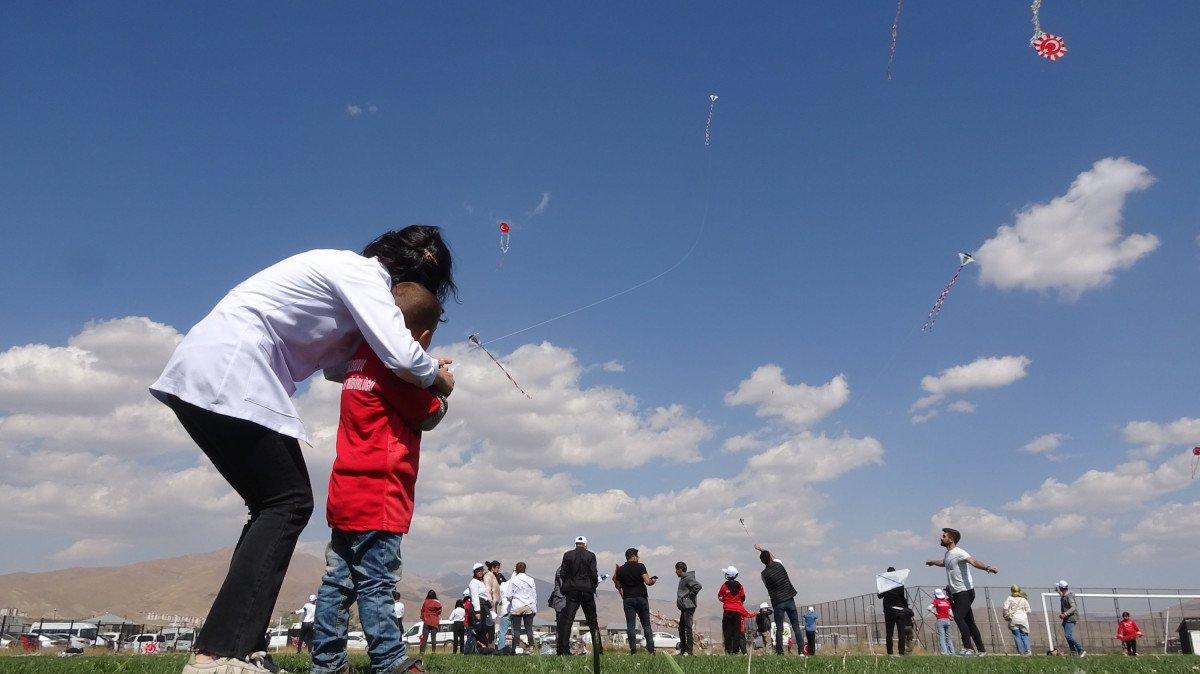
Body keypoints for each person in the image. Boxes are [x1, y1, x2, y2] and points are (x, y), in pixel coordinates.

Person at [153, 226, 457, 674]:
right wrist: (436, 375)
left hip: (207, 369)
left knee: (273, 504)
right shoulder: (363, 275)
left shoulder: (342, 275)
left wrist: (411, 366)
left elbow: (340, 367)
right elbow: (400, 356)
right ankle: (216, 654)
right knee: (288, 503)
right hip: (230, 370)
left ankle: (239, 645)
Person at [310, 282, 450, 674]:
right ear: (422, 338)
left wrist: (427, 370)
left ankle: (327, 663)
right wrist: (441, 384)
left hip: (345, 492)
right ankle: (389, 661)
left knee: (337, 582)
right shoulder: (394, 369)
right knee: (377, 581)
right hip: (380, 494)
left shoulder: (358, 360)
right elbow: (429, 414)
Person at [925, 528, 997, 656]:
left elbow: (973, 561)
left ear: (951, 539)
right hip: (957, 593)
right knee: (969, 622)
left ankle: (968, 648)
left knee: (958, 617)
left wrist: (987, 567)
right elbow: (944, 562)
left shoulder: (959, 552)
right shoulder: (948, 554)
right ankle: (982, 650)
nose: (941, 537)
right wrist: (933, 562)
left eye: (944, 536)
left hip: (965, 591)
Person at [753, 544, 804, 656]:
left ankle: (780, 652)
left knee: (779, 628)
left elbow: (767, 586)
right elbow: (774, 558)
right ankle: (801, 651)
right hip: (789, 599)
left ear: (762, 562)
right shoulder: (779, 564)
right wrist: (761, 549)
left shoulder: (763, 575)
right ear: (770, 557)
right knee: (796, 626)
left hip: (778, 602)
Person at [556, 536, 601, 656]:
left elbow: (563, 573)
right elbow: (593, 573)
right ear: (585, 545)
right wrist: (593, 584)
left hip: (572, 590)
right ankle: (598, 649)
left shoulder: (567, 555)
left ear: (575, 544)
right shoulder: (590, 555)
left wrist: (569, 583)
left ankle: (564, 650)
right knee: (592, 621)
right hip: (587, 590)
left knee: (568, 621)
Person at [614, 548, 658, 654]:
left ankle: (633, 651)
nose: (638, 558)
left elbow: (618, 585)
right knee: (646, 625)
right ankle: (651, 650)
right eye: (637, 556)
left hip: (628, 599)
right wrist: (653, 580)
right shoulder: (640, 566)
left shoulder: (620, 570)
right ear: (633, 556)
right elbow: (647, 582)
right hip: (641, 598)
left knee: (630, 625)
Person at [717, 566, 755, 655]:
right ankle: (735, 650)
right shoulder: (740, 586)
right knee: (737, 632)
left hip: (727, 610)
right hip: (737, 611)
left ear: (728, 575)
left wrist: (726, 601)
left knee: (727, 631)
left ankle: (728, 650)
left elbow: (720, 596)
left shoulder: (724, 586)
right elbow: (743, 597)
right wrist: (737, 603)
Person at [877, 567, 911, 656]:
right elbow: (902, 596)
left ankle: (890, 653)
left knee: (889, 633)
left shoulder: (884, 584)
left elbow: (879, 596)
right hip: (900, 611)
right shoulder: (900, 584)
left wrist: (881, 586)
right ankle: (901, 652)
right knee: (901, 633)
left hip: (889, 611)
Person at [506, 562, 538, 651]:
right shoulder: (531, 580)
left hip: (517, 606)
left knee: (516, 630)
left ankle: (515, 649)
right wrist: (534, 608)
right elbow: (534, 595)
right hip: (529, 606)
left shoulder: (513, 580)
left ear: (516, 569)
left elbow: (508, 595)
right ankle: (531, 648)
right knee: (529, 629)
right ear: (525, 569)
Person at [674, 561, 702, 656]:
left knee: (688, 628)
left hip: (688, 607)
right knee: (681, 628)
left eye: (676, 570)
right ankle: (683, 650)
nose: (675, 572)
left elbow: (698, 586)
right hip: (684, 607)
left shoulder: (688, 578)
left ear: (680, 569)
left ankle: (689, 651)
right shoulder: (683, 579)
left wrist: (689, 596)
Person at [1056, 580, 1086, 657]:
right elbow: (1060, 593)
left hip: (1071, 618)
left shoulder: (1069, 596)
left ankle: (1081, 650)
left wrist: (1065, 614)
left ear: (1061, 588)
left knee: (1068, 636)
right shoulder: (1064, 595)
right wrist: (1057, 590)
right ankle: (1073, 653)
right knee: (1068, 637)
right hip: (1066, 618)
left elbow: (1073, 607)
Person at [1002, 584, 1032, 655]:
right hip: (1023, 620)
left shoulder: (1009, 598)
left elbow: (1005, 608)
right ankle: (1028, 650)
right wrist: (1023, 613)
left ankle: (1021, 651)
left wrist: (1006, 614)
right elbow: (1028, 610)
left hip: (1014, 619)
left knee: (1017, 635)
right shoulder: (1023, 599)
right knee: (1024, 635)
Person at [927, 588, 955, 656]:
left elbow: (929, 608)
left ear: (936, 595)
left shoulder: (936, 601)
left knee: (942, 637)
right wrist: (950, 617)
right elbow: (951, 613)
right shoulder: (947, 602)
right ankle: (952, 652)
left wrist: (935, 613)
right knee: (948, 637)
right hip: (947, 620)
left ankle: (944, 653)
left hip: (940, 620)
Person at [419, 590, 441, 655]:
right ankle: (433, 652)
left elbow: (422, 610)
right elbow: (439, 612)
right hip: (434, 621)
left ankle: (422, 652)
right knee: (433, 638)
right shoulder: (437, 602)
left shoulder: (425, 602)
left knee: (424, 638)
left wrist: (422, 617)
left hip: (426, 621)